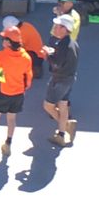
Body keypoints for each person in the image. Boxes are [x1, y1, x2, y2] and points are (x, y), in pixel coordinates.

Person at [0, 26, 32, 157]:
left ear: (8, 42)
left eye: (4, 39)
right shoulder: (26, 57)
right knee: (12, 118)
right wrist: (24, 88)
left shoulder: (0, 56)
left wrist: (0, 75)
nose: (2, 41)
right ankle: (8, 144)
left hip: (3, 92)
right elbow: (28, 76)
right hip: (18, 93)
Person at [41, 13, 79, 146]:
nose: (55, 28)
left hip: (60, 80)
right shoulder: (72, 43)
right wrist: (53, 53)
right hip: (70, 79)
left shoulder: (63, 45)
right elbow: (64, 59)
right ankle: (61, 135)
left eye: (58, 26)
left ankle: (66, 125)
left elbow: (57, 64)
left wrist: (47, 55)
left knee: (48, 106)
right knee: (63, 106)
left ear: (65, 29)